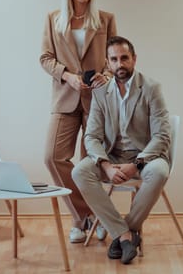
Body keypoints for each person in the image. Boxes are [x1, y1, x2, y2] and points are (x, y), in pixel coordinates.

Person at [72, 36, 170, 264]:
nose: (120, 64)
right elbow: (92, 136)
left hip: (146, 156)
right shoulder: (100, 92)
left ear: (134, 59)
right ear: (108, 63)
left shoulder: (151, 88)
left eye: (124, 58)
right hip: (112, 156)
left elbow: (162, 136)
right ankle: (125, 235)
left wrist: (136, 163)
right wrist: (105, 165)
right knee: (80, 172)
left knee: (160, 173)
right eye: (114, 59)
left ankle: (124, 232)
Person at [40, 0, 117, 243]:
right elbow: (46, 57)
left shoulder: (105, 19)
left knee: (89, 163)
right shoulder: (54, 18)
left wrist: (105, 76)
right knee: (52, 157)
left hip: (97, 100)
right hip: (65, 97)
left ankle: (91, 220)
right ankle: (84, 215)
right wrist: (68, 76)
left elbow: (113, 58)